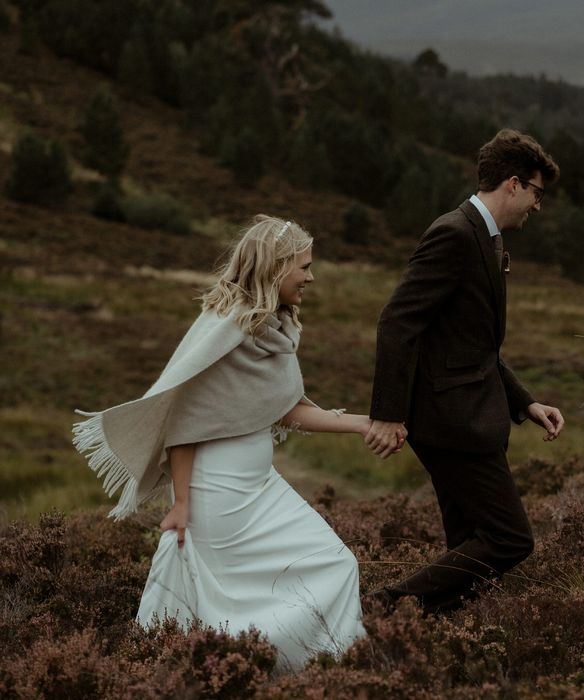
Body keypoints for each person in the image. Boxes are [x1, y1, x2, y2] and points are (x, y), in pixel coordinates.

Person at [73, 215, 367, 670]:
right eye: (303, 267)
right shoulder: (224, 325)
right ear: (275, 267)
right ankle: (233, 671)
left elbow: (284, 408)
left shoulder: (275, 329)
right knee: (225, 601)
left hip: (260, 487)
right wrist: (182, 502)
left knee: (335, 562)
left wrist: (363, 425)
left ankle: (320, 669)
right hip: (217, 492)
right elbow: (183, 420)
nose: (311, 277)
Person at [365, 128, 565, 616]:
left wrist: (525, 402)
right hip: (452, 422)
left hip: (467, 413)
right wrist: (388, 415)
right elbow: (397, 322)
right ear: (514, 184)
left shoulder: (487, 238)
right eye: (537, 193)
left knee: (469, 544)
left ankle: (428, 632)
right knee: (509, 539)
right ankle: (386, 607)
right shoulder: (454, 234)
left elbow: (475, 345)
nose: (538, 206)